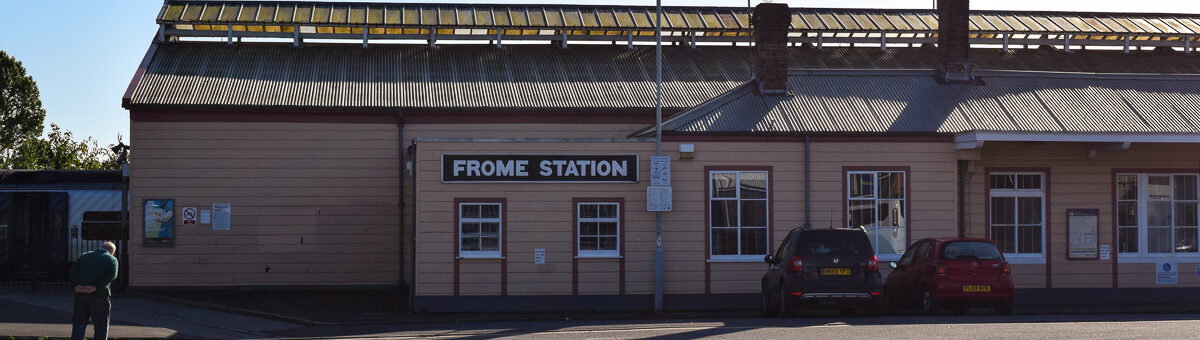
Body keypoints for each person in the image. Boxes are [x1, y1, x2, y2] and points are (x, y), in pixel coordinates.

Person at [70, 242, 119, 340]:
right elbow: (111, 276)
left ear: (101, 248)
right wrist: (95, 287)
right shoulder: (112, 259)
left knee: (79, 323)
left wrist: (76, 285)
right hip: (99, 296)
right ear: (112, 251)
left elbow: (73, 271)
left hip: (80, 295)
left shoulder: (84, 256)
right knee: (101, 324)